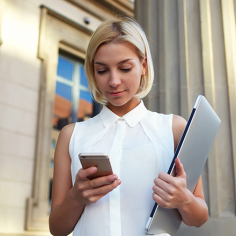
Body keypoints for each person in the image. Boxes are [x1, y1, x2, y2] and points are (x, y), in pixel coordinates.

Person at [49, 17, 209, 236]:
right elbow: (56, 229)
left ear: (143, 66)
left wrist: (184, 199)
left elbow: (200, 217)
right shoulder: (71, 135)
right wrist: (75, 197)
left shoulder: (173, 128)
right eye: (102, 70)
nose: (113, 81)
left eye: (124, 68)